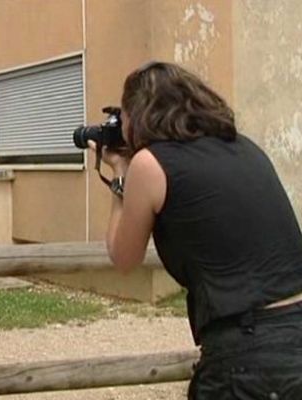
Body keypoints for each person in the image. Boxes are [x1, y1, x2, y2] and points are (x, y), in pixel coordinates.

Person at [91, 61, 302, 399]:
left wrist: (120, 175)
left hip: (246, 353)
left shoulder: (150, 164)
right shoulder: (244, 147)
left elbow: (123, 257)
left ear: (138, 114)